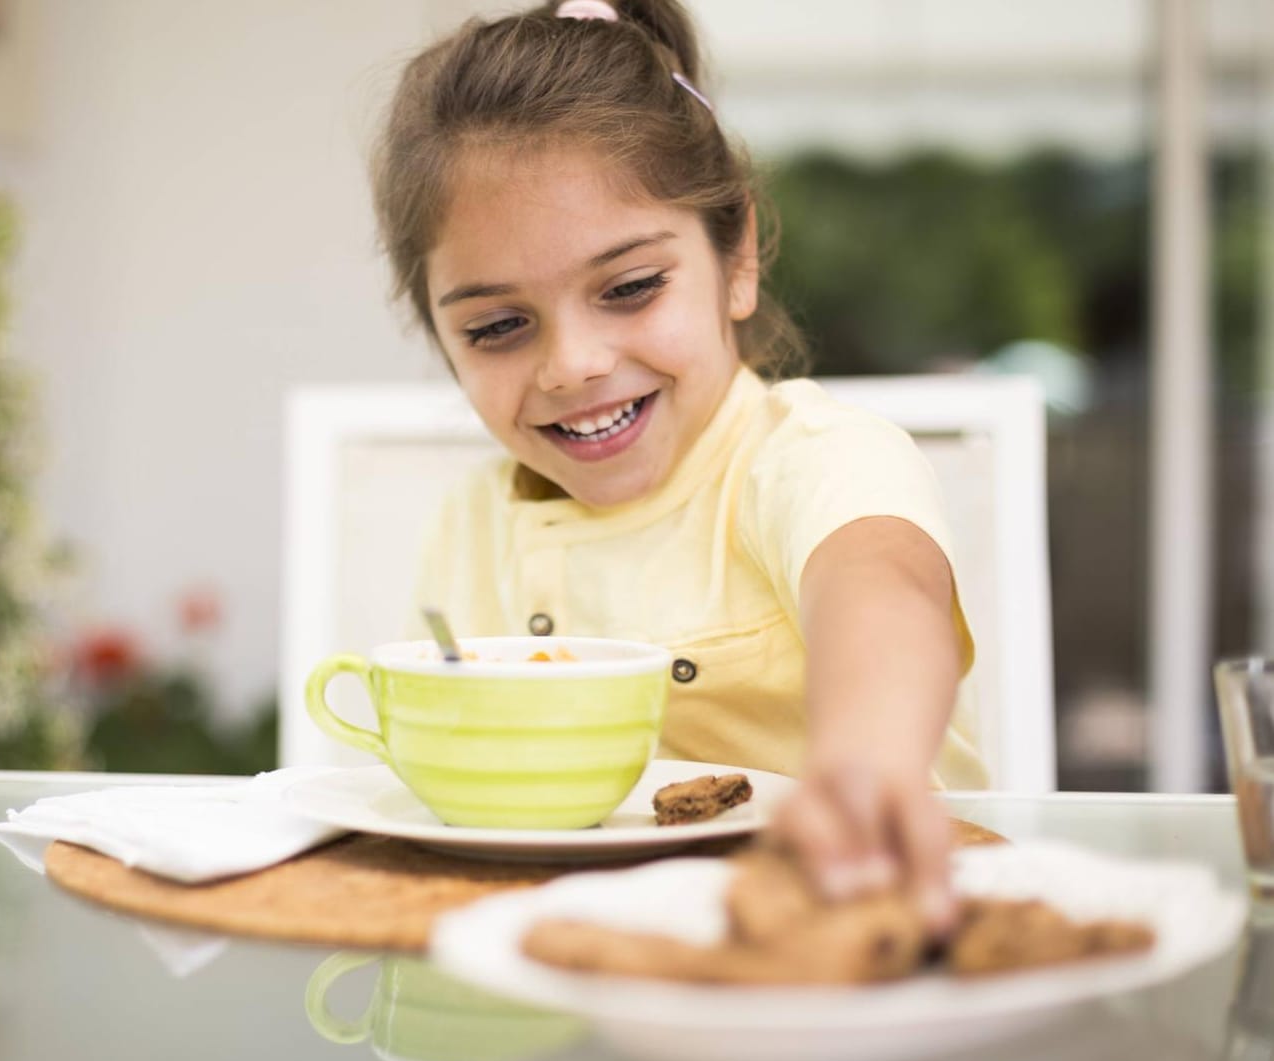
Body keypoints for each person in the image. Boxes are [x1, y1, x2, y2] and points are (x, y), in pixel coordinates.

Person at [373, 0, 984, 929]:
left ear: (736, 256)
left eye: (628, 288)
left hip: (853, 935)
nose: (572, 363)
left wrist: (864, 766)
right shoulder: (467, 526)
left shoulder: (810, 458)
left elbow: (884, 596)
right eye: (497, 327)